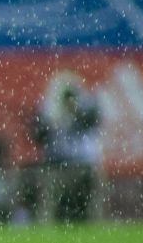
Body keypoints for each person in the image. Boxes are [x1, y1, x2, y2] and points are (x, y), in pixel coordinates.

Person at [17, 71, 104, 223]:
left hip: (84, 163)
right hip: (57, 164)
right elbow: (38, 136)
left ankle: (93, 224)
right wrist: (52, 120)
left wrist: (74, 112)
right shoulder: (49, 110)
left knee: (91, 205)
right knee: (49, 203)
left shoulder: (87, 105)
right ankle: (46, 227)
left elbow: (92, 120)